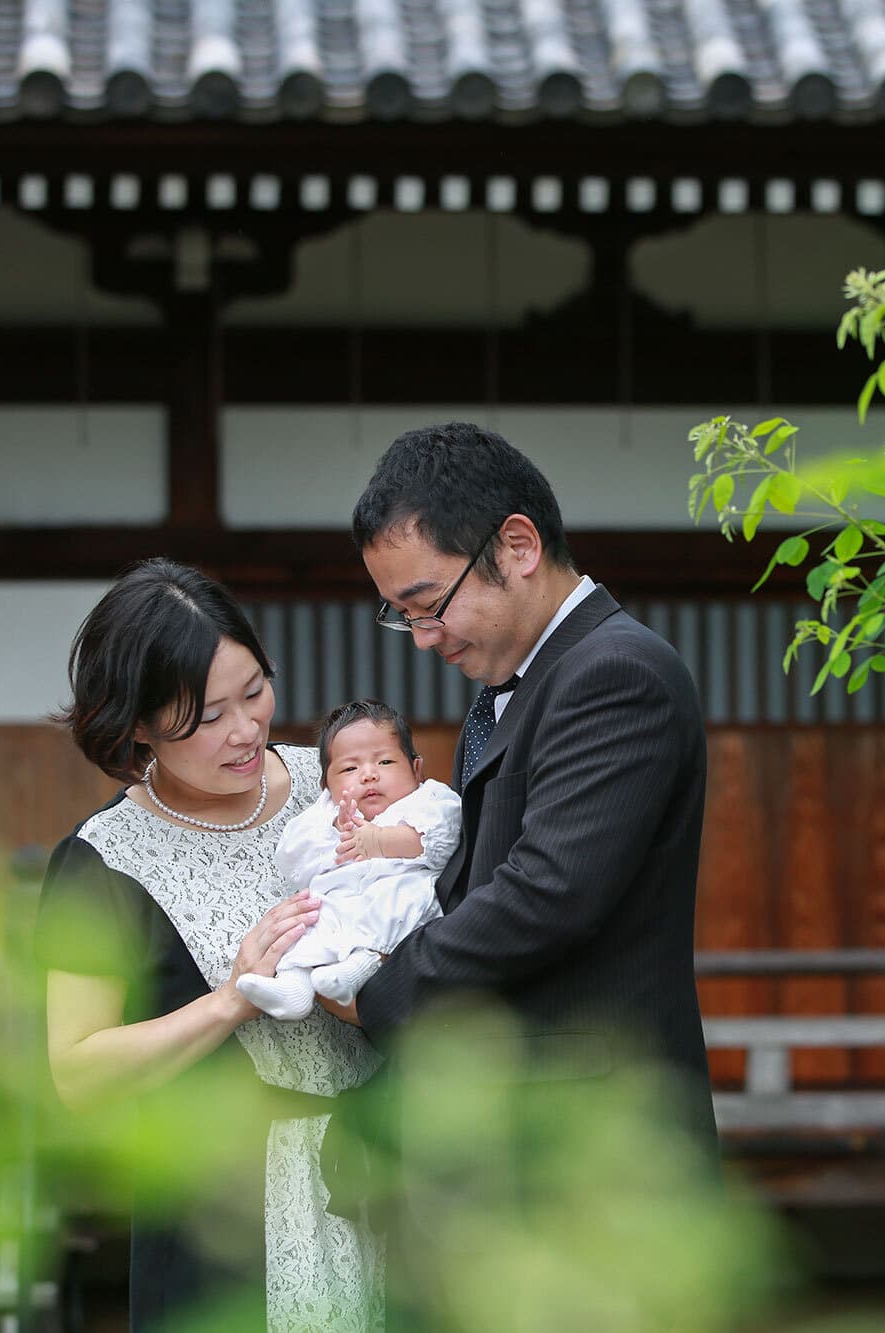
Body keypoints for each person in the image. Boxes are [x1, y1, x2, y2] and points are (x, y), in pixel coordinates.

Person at [321, 421, 718, 1174]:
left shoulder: (614, 674)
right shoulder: (522, 683)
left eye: (429, 602)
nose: (422, 637)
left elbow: (547, 890)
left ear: (518, 546)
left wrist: (382, 990)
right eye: (402, 614)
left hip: (606, 1142)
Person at [36, 558, 384, 1331]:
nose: (245, 730)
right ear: (134, 724)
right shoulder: (103, 861)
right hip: (219, 1223)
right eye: (204, 717)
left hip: (384, 1182)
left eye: (254, 691)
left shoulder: (334, 786)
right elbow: (79, 1071)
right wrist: (229, 1000)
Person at [240, 700, 461, 1022]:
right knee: (308, 918)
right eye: (349, 769)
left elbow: (442, 839)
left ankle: (358, 967)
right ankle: (294, 986)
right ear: (326, 784)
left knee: (398, 903)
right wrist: (331, 832)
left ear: (416, 769)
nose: (369, 775)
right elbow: (293, 862)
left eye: (385, 761)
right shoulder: (324, 815)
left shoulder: (429, 799)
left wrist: (379, 841)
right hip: (340, 899)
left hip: (401, 892)